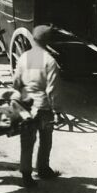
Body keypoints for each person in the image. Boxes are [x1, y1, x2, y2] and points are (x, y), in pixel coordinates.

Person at [11, 23, 60, 184]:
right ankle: (43, 169)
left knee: (27, 141)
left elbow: (16, 81)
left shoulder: (25, 57)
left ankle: (26, 175)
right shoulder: (50, 61)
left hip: (26, 106)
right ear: (47, 41)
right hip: (43, 107)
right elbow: (52, 90)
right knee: (46, 140)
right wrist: (57, 111)